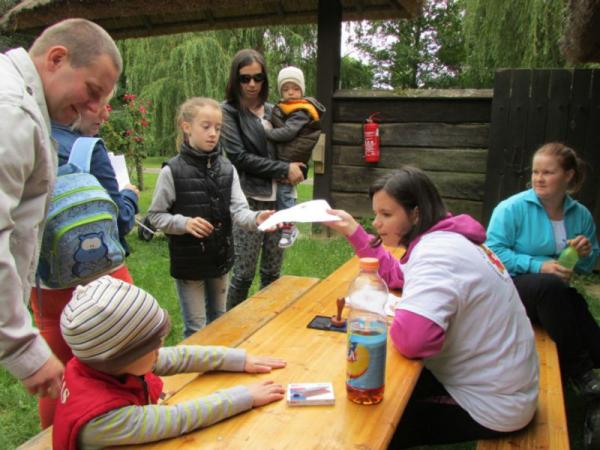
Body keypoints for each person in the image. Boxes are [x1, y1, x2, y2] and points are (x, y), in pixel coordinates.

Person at [324, 167, 538, 447]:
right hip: (506, 381)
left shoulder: (437, 255)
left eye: (386, 214)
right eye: (376, 214)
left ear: (416, 214)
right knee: (383, 384)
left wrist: (390, 315)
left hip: (494, 404)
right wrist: (353, 230)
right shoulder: (448, 239)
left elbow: (414, 341)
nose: (376, 223)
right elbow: (396, 275)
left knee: (370, 422)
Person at [0, 18, 121, 403]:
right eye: (93, 91)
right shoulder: (11, 113)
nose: (96, 108)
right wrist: (23, 349)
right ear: (56, 59)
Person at [52, 275, 286, 450]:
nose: (160, 349)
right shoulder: (101, 420)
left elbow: (179, 357)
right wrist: (244, 396)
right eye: (153, 345)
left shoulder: (102, 364)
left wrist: (240, 359)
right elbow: (178, 418)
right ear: (122, 357)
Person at [30, 102, 139, 428]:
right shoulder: (89, 149)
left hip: (48, 283)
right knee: (123, 365)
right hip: (106, 281)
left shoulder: (29, 140)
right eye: (99, 103)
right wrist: (130, 196)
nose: (106, 114)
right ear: (74, 104)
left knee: (58, 373)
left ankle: (54, 439)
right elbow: (120, 222)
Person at [485, 143, 600, 446]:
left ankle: (595, 398)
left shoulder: (580, 215)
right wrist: (538, 265)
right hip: (510, 290)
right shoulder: (512, 209)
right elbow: (492, 252)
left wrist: (585, 253)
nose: (538, 178)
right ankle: (580, 373)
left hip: (554, 296)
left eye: (548, 172)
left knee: (572, 304)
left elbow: (586, 266)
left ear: (568, 175)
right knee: (551, 287)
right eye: (536, 171)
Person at [147, 97, 274, 337]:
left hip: (219, 259)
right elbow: (155, 216)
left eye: (217, 127)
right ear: (187, 127)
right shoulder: (171, 171)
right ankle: (195, 360)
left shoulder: (227, 168)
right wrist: (184, 223)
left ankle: (217, 359)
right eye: (205, 127)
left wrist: (257, 218)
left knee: (220, 321)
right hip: (189, 264)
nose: (213, 133)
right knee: (196, 328)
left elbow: (239, 211)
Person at [221, 49, 306, 310]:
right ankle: (229, 326)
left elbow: (298, 145)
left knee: (272, 273)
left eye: (258, 78)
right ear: (235, 79)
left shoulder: (274, 111)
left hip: (280, 201)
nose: (252, 84)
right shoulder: (229, 112)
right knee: (243, 274)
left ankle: (267, 322)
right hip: (249, 201)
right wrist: (284, 169)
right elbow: (239, 157)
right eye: (245, 78)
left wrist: (300, 169)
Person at [264, 66, 325, 248]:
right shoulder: (286, 108)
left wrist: (265, 133)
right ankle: (285, 224)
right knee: (284, 190)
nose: (290, 92)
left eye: (295, 88)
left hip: (292, 155)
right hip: (288, 156)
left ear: (302, 90)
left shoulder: (301, 111)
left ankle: (290, 226)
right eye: (285, 89)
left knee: (284, 190)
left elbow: (288, 133)